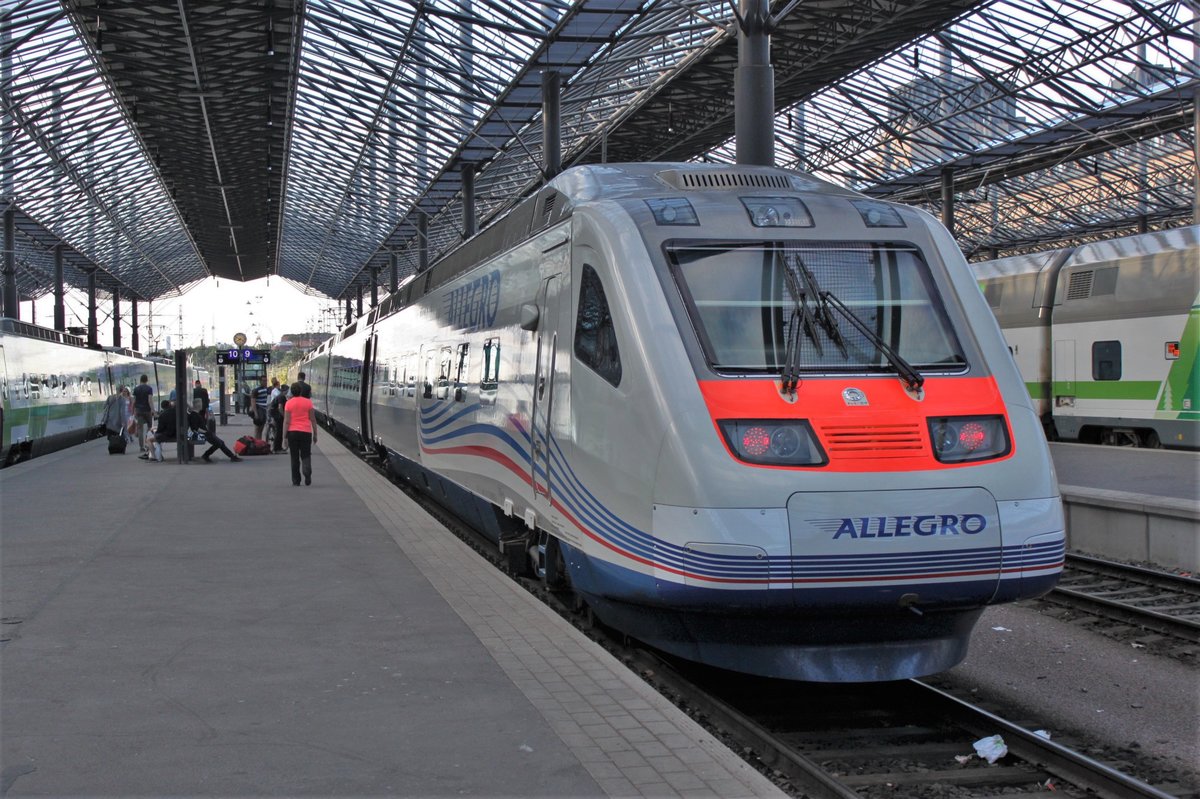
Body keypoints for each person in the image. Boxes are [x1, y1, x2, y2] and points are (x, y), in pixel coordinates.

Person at [282, 380, 316, 486]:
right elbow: (313, 419)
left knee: (294, 457)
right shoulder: (308, 402)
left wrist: (284, 437)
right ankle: (307, 473)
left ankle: (296, 480)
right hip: (306, 432)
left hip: (292, 433)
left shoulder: (288, 403)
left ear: (291, 392)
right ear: (300, 391)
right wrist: (315, 434)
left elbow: (286, 421)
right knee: (306, 454)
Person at [132, 374, 154, 452]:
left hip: (139, 411)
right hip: (147, 410)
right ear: (146, 380)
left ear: (140, 380)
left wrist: (133, 411)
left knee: (140, 429)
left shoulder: (136, 389)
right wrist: (153, 410)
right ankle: (149, 444)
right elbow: (150, 400)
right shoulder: (149, 389)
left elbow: (134, 401)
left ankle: (141, 446)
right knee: (150, 428)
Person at [267, 382, 289, 453]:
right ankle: (277, 448)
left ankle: (278, 447)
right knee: (279, 431)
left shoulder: (280, 396)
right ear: (285, 390)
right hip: (276, 415)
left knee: (279, 431)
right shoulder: (281, 397)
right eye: (287, 390)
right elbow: (280, 408)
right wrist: (284, 416)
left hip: (273, 413)